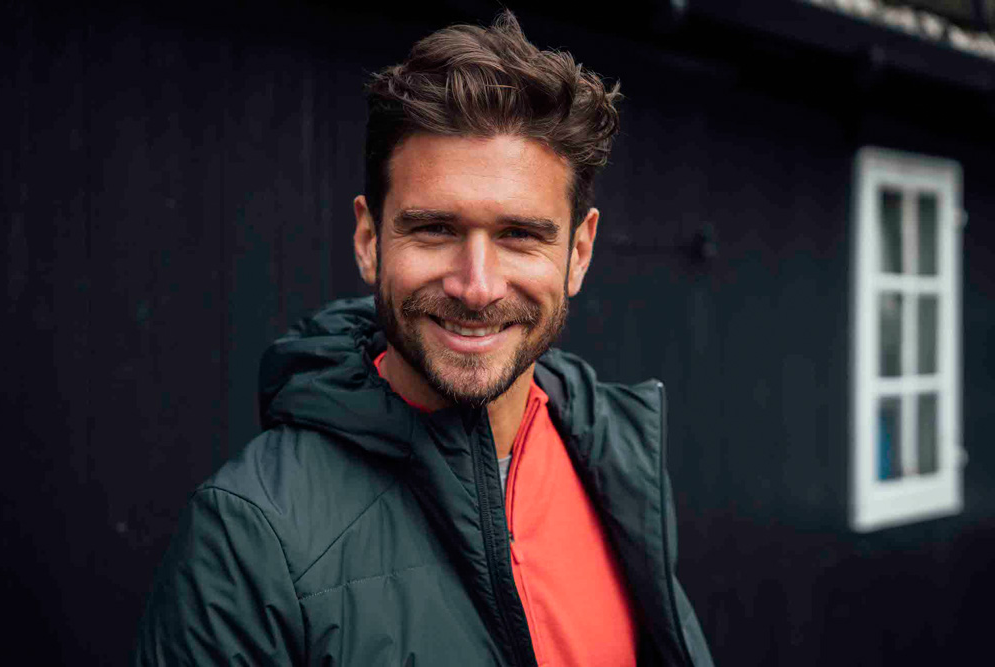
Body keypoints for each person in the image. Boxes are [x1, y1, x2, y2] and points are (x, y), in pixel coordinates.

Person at [136, 11, 714, 666]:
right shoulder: (248, 536)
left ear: (578, 253)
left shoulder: (616, 462)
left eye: (519, 235)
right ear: (368, 239)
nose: (477, 286)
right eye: (435, 229)